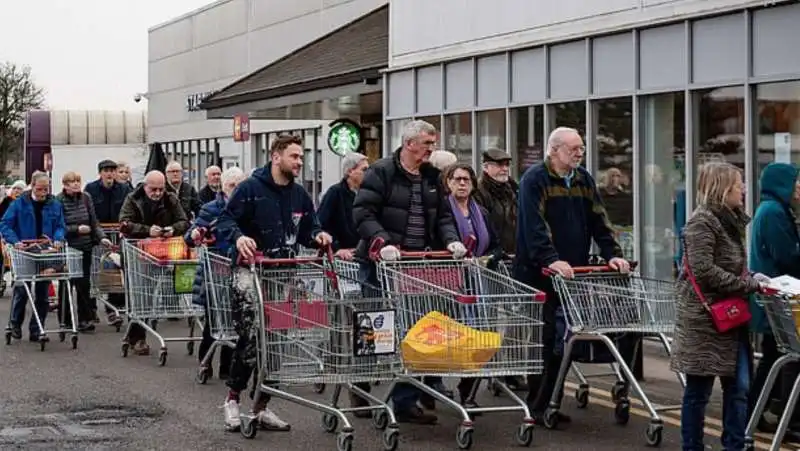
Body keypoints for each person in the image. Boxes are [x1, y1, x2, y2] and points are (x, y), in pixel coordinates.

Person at [353, 120, 467, 425]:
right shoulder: (381, 172)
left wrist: (451, 239)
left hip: (417, 265)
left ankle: (404, 400)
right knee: (376, 332)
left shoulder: (432, 177)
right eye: (428, 143)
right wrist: (382, 242)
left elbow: (442, 216)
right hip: (381, 263)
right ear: (409, 144)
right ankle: (359, 386)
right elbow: (363, 212)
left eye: (433, 143)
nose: (432, 148)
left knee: (416, 333)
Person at [216, 134, 332, 432]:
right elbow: (226, 221)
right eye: (294, 156)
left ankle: (261, 407)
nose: (299, 162)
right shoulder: (250, 189)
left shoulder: (299, 195)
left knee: (278, 342)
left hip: (283, 274)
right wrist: (239, 237)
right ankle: (232, 400)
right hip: (250, 273)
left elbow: (309, 228)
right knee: (253, 338)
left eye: (301, 157)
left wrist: (319, 236)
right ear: (276, 156)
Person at [514, 126, 629, 424]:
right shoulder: (534, 180)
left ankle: (552, 401)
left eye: (581, 148)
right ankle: (538, 406)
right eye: (573, 148)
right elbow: (534, 226)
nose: (579, 153)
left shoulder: (583, 179)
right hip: (538, 273)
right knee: (546, 338)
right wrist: (552, 259)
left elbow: (599, 219)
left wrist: (612, 253)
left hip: (572, 275)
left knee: (565, 340)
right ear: (554, 150)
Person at [671, 161, 767, 451]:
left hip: (731, 318)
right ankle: (692, 446)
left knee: (738, 389)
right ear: (723, 189)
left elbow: (732, 266)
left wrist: (751, 276)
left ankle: (734, 446)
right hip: (705, 321)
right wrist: (749, 285)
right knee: (698, 392)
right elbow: (704, 271)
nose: (744, 190)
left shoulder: (730, 220)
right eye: (739, 184)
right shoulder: (702, 222)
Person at [442, 162, 502, 410]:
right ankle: (430, 384)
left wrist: (488, 258)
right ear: (448, 183)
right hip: (449, 282)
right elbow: (439, 238)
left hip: (479, 283)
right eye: (457, 179)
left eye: (467, 179)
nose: (462, 184)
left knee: (476, 337)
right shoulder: (443, 211)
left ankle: (468, 392)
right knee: (448, 337)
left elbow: (496, 245)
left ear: (474, 184)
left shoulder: (482, 213)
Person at [749, 163, 800, 437]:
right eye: (796, 182)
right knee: (785, 358)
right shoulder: (773, 212)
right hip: (779, 298)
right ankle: (788, 420)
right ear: (783, 184)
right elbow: (788, 257)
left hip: (775, 298)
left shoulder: (774, 210)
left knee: (773, 357)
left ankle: (755, 411)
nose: (799, 187)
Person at [118, 170, 189, 356]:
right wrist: (148, 231)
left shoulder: (170, 198)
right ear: (145, 186)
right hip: (138, 252)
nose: (157, 193)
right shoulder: (133, 198)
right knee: (141, 296)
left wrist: (172, 229)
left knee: (160, 292)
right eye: (153, 189)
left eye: (160, 189)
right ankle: (138, 338)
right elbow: (124, 223)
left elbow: (184, 221)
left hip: (163, 251)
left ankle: (143, 330)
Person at [185, 166, 245, 380]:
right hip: (215, 271)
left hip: (238, 269)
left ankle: (227, 367)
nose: (236, 190)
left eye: (240, 186)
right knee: (215, 320)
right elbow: (190, 236)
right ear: (223, 187)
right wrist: (194, 233)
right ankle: (205, 361)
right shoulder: (212, 208)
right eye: (232, 186)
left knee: (235, 320)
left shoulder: (248, 208)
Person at [1, 172, 67, 342]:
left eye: (46, 189)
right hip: (25, 251)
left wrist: (58, 238)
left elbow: (60, 225)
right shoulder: (19, 204)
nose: (42, 193)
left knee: (42, 293)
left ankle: (37, 329)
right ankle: (15, 323)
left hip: (45, 252)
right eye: (39, 189)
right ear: (32, 185)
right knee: (22, 290)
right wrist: (15, 241)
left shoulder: (54, 204)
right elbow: (6, 224)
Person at [56, 172, 112, 333]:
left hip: (86, 247)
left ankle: (84, 319)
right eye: (71, 182)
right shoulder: (59, 200)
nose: (75, 184)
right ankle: (65, 319)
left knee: (84, 284)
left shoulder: (86, 198)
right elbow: (59, 227)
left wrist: (102, 237)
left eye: (77, 181)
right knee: (67, 284)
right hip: (68, 248)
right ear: (65, 185)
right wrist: (76, 230)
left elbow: (94, 222)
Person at [84, 159, 133, 325]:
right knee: (94, 273)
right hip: (98, 236)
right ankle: (91, 310)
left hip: (117, 235)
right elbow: (88, 212)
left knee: (115, 271)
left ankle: (114, 309)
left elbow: (129, 210)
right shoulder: (91, 189)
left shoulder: (124, 189)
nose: (110, 173)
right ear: (100, 173)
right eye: (106, 170)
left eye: (112, 170)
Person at [318, 152, 368, 261]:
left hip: (362, 255)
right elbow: (320, 224)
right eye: (364, 170)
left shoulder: (368, 194)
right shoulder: (335, 193)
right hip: (342, 258)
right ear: (350, 171)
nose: (368, 173)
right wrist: (336, 249)